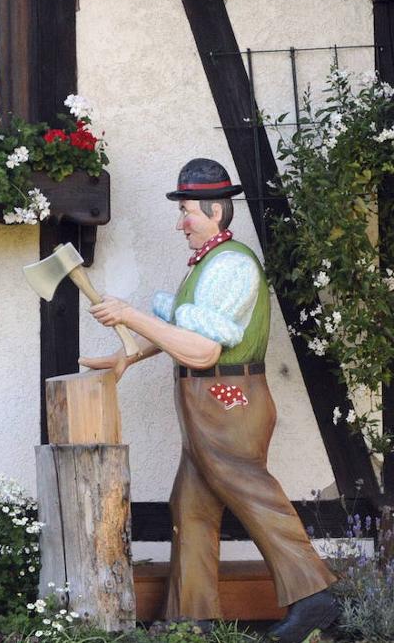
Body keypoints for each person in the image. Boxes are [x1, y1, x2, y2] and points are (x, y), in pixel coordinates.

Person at [79, 158, 338, 642]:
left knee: (252, 494)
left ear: (215, 213)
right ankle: (189, 617)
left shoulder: (233, 265)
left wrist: (132, 316)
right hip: (206, 404)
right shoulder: (208, 265)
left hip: (228, 400)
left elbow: (202, 350)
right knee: (191, 506)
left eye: (188, 212)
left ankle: (314, 597)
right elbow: (184, 332)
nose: (181, 224)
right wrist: (127, 356)